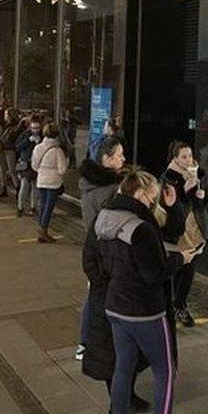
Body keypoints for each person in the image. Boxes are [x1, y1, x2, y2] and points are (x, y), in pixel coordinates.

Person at [88, 170, 186, 414]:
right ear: (140, 194)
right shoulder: (140, 227)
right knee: (165, 372)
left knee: (123, 368)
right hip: (145, 311)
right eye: (152, 197)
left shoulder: (105, 219)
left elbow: (99, 262)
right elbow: (154, 273)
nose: (154, 202)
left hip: (115, 306)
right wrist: (181, 259)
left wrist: (170, 205)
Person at [76, 136, 127, 362]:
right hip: (105, 252)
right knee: (97, 298)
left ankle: (87, 342)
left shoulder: (91, 183)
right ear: (106, 159)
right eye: (119, 155)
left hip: (94, 249)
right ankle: (87, 343)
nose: (124, 158)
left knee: (95, 295)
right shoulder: (108, 190)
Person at [161, 141, 208, 328]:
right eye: (183, 156)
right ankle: (171, 305)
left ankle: (180, 305)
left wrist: (204, 197)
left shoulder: (199, 173)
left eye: (190, 155)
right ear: (175, 158)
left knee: (190, 269)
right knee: (177, 266)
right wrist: (183, 191)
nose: (188, 160)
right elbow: (167, 203)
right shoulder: (169, 177)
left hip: (196, 229)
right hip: (178, 230)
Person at [31, 123, 68, 243]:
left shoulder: (38, 147)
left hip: (41, 179)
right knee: (49, 207)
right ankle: (44, 231)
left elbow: (34, 165)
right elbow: (62, 169)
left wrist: (42, 171)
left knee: (42, 205)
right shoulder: (57, 150)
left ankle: (42, 228)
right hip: (54, 182)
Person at [15, 117, 42, 217]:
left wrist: (39, 142)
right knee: (24, 185)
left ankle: (33, 207)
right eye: (33, 128)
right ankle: (20, 207)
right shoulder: (25, 135)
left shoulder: (42, 136)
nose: (35, 130)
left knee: (35, 187)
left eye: (37, 128)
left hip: (37, 163)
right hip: (26, 163)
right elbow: (17, 147)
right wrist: (28, 141)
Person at [0, 109, 23, 198]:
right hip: (1, 148)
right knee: (2, 169)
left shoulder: (16, 126)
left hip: (10, 148)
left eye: (6, 114)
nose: (5, 115)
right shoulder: (3, 124)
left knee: (12, 170)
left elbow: (15, 137)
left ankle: (17, 188)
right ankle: (4, 188)